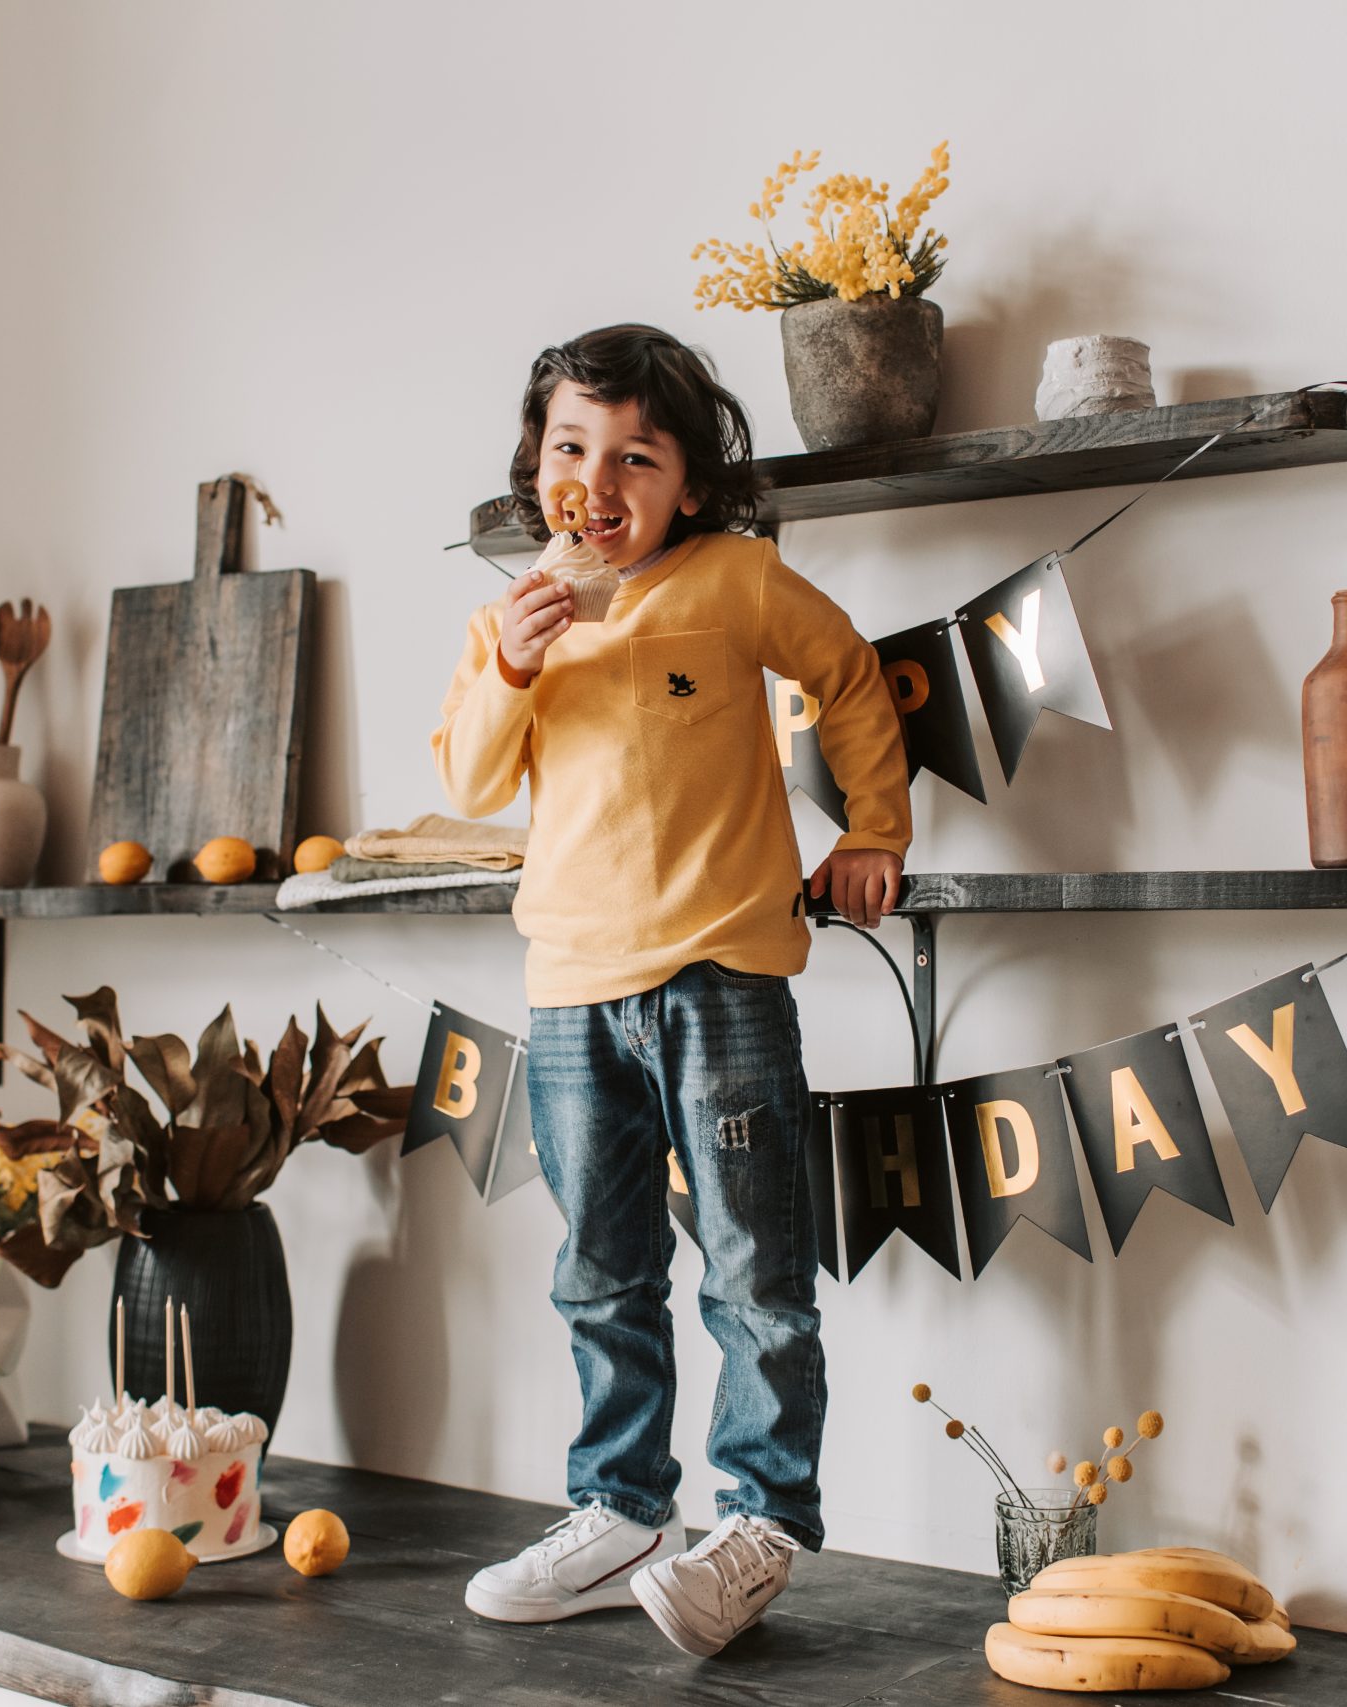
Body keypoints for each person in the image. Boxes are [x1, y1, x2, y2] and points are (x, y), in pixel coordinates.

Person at [434, 323, 910, 1656]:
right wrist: (515, 664)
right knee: (600, 1273)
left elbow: (854, 678)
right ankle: (619, 1510)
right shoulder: (512, 615)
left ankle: (759, 1525)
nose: (600, 479)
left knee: (756, 1272)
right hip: (573, 991)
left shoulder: (739, 580)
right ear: (538, 469)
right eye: (571, 450)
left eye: (637, 456)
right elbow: (469, 783)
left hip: (725, 978)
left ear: (690, 483)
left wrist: (873, 830)